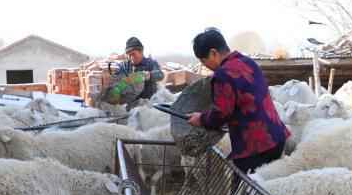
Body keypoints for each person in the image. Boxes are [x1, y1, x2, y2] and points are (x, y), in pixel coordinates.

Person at [187, 28, 290, 174]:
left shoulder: (223, 75)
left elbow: (221, 113)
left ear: (213, 53)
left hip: (255, 146)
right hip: (276, 137)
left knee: (245, 193)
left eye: (204, 61)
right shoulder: (248, 62)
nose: (205, 66)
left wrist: (201, 119)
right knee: (268, 188)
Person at [114, 36, 165, 101]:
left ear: (141, 52)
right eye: (129, 55)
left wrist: (146, 75)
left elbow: (161, 75)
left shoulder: (150, 63)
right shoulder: (125, 66)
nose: (131, 57)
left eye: (133, 54)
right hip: (130, 102)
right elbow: (118, 80)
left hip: (148, 102)